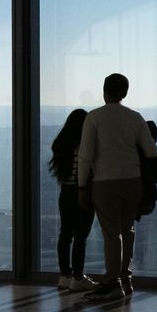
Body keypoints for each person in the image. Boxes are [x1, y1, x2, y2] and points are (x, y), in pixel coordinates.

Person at [75, 73, 157, 303]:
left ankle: (113, 283)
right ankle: (126, 278)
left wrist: (82, 186)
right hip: (133, 180)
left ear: (104, 91)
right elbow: (151, 151)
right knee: (127, 229)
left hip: (105, 181)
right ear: (125, 92)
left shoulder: (94, 118)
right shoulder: (135, 117)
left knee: (111, 233)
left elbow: (85, 156)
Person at [48, 108, 96, 291]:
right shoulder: (84, 145)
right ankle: (78, 276)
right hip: (82, 192)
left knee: (65, 234)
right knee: (81, 237)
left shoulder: (61, 144)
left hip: (65, 192)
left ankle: (64, 275)